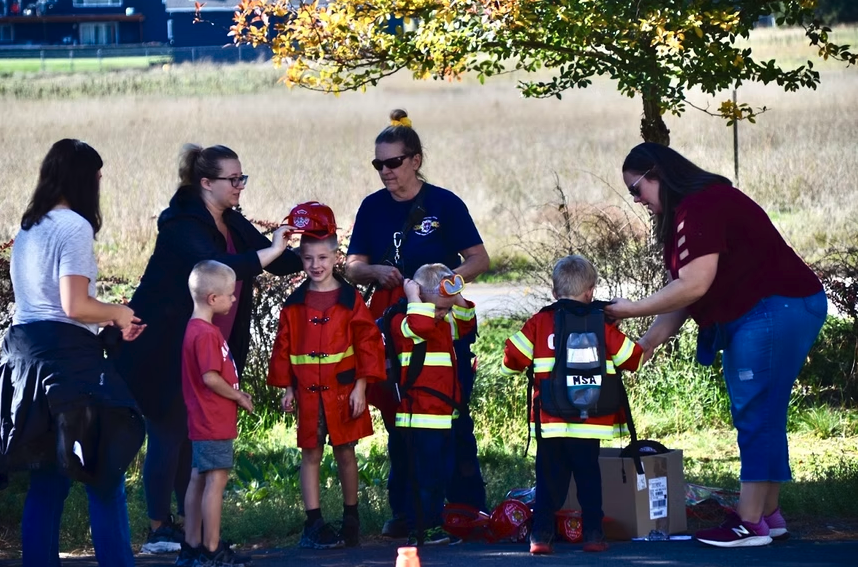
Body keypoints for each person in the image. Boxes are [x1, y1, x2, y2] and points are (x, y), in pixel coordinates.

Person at [605, 142, 827, 548]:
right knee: (766, 412)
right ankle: (768, 515)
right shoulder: (691, 212)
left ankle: (748, 523)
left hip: (774, 308)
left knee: (755, 410)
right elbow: (686, 294)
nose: (638, 201)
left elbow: (694, 284)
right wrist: (647, 344)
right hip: (777, 307)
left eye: (636, 190)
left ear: (656, 174)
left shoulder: (701, 206)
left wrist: (627, 309)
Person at [115, 144, 303, 553]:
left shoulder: (230, 219)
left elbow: (271, 259)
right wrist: (270, 250)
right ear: (206, 183)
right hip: (162, 343)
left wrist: (309, 251)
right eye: (232, 180)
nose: (240, 186)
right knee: (169, 428)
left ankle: (193, 529)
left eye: (242, 178)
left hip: (206, 342)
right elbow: (217, 267)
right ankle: (159, 527)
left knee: (192, 433)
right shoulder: (182, 224)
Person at [0, 139, 146, 567]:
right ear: (83, 179)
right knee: (104, 473)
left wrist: (105, 321)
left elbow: (43, 305)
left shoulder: (28, 227)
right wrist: (119, 312)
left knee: (48, 480)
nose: (100, 185)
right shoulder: (74, 227)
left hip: (26, 363)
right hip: (68, 367)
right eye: (97, 177)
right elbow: (73, 306)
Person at [345, 109, 490, 537]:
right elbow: (353, 266)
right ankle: (407, 511)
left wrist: (446, 285)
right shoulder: (372, 208)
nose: (385, 172)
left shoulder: (444, 203)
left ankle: (465, 509)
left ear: (415, 160)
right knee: (400, 418)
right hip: (396, 328)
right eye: (378, 164)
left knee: (455, 416)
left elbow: (479, 258)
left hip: (444, 328)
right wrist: (374, 274)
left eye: (392, 163)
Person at [501, 255, 644, 554]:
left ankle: (540, 537)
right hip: (590, 421)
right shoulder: (600, 325)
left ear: (554, 293)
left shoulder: (540, 322)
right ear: (590, 291)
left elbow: (512, 358)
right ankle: (593, 536)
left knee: (548, 481)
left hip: (550, 422)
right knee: (588, 478)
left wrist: (511, 365)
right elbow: (633, 358)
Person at [268, 203, 386, 549]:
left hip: (343, 391)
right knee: (310, 453)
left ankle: (352, 517)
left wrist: (361, 388)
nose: (315, 265)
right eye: (307, 258)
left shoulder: (351, 300)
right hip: (307, 393)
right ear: (301, 259)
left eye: (322, 258)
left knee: (346, 453)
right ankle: (314, 522)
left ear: (336, 257)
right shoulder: (294, 303)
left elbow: (368, 344)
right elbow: (284, 346)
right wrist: (287, 387)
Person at [388, 263, 476, 546]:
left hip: (442, 417)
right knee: (421, 480)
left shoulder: (443, 321)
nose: (443, 314)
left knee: (439, 477)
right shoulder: (404, 321)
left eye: (446, 309)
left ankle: (434, 524)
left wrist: (454, 295)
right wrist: (414, 296)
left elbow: (466, 322)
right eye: (439, 308)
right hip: (418, 419)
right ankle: (419, 528)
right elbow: (421, 324)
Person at [179, 260, 254, 567]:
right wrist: (238, 396)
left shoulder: (195, 328)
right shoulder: (206, 334)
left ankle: (192, 545)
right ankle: (211, 549)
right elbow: (210, 377)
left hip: (203, 419)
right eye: (230, 295)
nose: (234, 299)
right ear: (212, 298)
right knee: (216, 480)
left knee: (198, 478)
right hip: (213, 420)